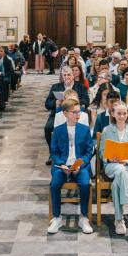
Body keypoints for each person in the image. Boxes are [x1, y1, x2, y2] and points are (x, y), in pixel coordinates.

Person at [48, 97, 94, 234]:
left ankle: (83, 217)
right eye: (74, 112)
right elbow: (54, 152)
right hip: (63, 166)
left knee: (85, 184)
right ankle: (57, 217)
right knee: (54, 184)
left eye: (79, 112)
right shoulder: (58, 130)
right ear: (65, 113)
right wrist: (61, 164)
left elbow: (89, 150)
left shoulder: (85, 129)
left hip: (80, 165)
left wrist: (81, 163)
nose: (78, 115)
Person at [99, 101, 128, 235]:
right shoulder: (107, 130)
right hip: (111, 165)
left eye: (125, 113)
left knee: (116, 184)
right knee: (119, 170)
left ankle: (119, 220)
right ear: (113, 114)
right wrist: (109, 158)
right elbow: (101, 152)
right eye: (119, 113)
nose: (122, 116)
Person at [44, 68, 89, 163]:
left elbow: (86, 101)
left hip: (75, 111)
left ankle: (75, 153)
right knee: (48, 128)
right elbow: (47, 104)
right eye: (64, 75)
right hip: (58, 112)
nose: (67, 77)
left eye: (69, 75)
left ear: (73, 76)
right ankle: (52, 152)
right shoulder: (56, 87)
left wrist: (72, 101)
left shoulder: (81, 87)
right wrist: (56, 102)